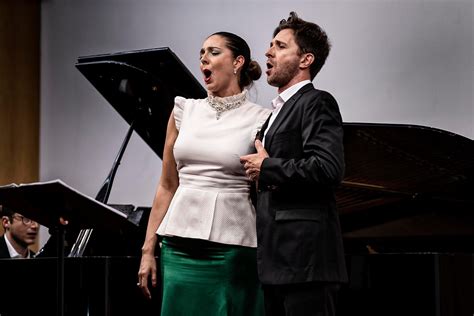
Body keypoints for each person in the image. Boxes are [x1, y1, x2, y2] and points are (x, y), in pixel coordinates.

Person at [137, 31, 271, 315]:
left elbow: (265, 189)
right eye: (201, 53)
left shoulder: (261, 118)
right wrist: (148, 250)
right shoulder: (184, 111)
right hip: (178, 244)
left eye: (213, 52)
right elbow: (166, 185)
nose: (203, 60)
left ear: (237, 62)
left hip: (233, 246)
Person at [240, 12, 348, 316]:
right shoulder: (274, 113)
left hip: (305, 263)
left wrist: (268, 167)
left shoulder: (317, 102)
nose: (267, 52)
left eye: (280, 46)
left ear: (305, 60)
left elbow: (328, 168)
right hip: (276, 263)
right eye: (270, 45)